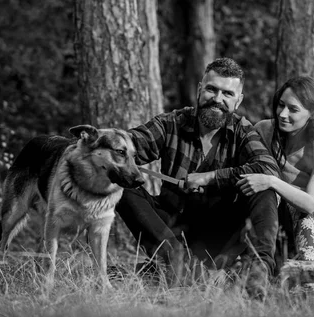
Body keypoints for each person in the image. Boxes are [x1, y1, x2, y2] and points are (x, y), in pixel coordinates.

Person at [115, 57, 280, 298]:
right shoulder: (171, 123)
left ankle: (256, 273)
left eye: (227, 93)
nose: (217, 99)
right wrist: (104, 147)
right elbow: (130, 144)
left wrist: (211, 177)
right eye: (212, 89)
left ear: (238, 100)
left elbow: (268, 169)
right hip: (170, 232)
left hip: (220, 236)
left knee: (263, 187)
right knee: (121, 183)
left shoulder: (243, 131)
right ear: (199, 89)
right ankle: (176, 265)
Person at [236, 75, 314, 263]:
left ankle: (307, 275)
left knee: (300, 209)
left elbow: (309, 203)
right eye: (281, 105)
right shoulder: (263, 131)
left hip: (302, 228)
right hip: (261, 217)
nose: (282, 114)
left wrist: (271, 181)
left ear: (313, 114)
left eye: (293, 109)